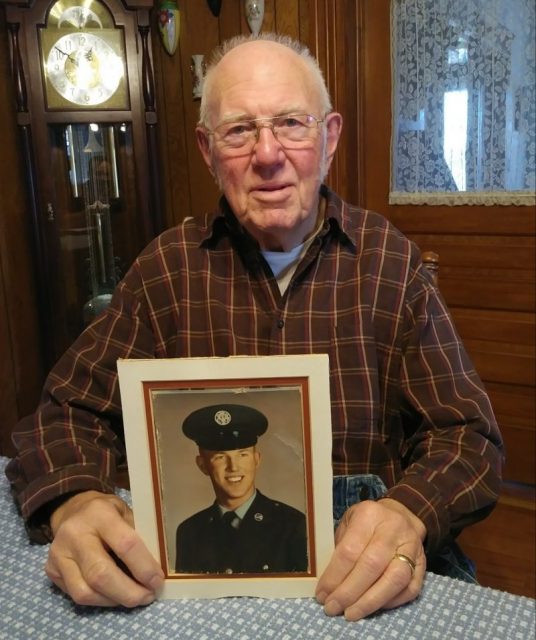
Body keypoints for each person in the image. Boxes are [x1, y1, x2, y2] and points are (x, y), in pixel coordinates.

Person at [5, 32, 503, 620]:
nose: (268, 155)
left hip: (358, 575)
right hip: (200, 576)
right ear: (207, 150)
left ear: (330, 136)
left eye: (292, 123)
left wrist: (408, 511)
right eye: (239, 131)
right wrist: (77, 501)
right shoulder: (165, 271)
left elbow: (469, 437)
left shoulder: (392, 266)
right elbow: (65, 413)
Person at [175, 403, 307, 574]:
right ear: (203, 465)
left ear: (257, 459)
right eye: (220, 457)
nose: (233, 467)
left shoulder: (292, 524)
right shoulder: (189, 531)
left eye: (243, 455)